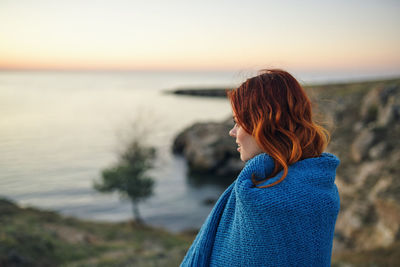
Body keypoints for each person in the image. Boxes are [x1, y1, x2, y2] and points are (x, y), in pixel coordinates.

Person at [180, 69, 340, 267]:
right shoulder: (321, 188)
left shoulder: (261, 202)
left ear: (263, 125)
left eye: (238, 123)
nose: (232, 132)